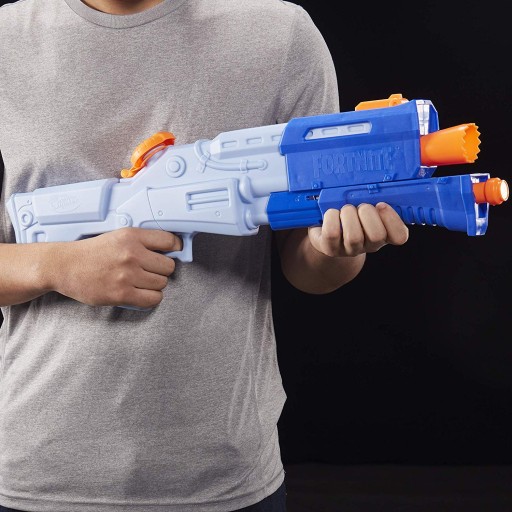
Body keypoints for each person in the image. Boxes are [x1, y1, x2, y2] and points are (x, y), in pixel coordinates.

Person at [0, 0, 409, 511]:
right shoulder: (7, 39)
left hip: (224, 476)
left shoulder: (278, 35)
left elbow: (309, 268)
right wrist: (57, 267)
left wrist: (337, 247)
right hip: (38, 473)